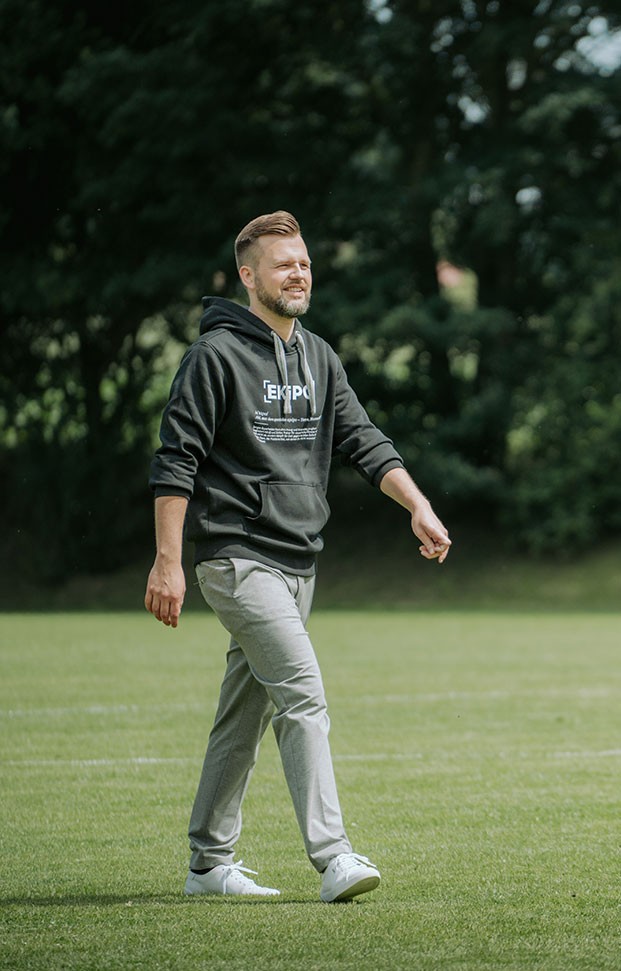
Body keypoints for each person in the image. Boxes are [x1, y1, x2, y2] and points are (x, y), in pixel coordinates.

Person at [144, 211, 451, 903]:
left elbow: (363, 439)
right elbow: (176, 462)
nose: (300, 273)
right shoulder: (214, 357)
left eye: (305, 262)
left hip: (296, 562)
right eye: (284, 264)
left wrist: (417, 504)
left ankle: (206, 864)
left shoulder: (317, 356)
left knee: (243, 712)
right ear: (248, 277)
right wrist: (167, 561)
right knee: (303, 694)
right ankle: (333, 854)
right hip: (236, 557)